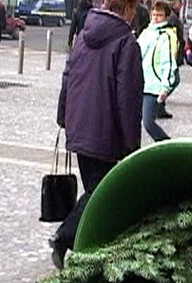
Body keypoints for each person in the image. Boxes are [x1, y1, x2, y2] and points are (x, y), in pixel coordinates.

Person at [52, 0, 144, 269]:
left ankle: (89, 246)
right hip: (106, 134)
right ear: (127, 9)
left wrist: (63, 116)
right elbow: (128, 98)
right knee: (100, 192)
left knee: (96, 188)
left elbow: (67, 76)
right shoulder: (126, 43)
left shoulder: (84, 34)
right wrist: (131, 145)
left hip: (80, 125)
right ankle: (65, 238)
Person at [137, 0, 178, 141]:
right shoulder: (146, 33)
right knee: (135, 122)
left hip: (153, 86)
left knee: (148, 122)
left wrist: (165, 87)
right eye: (154, 14)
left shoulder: (165, 36)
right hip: (140, 83)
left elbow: (168, 63)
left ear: (166, 17)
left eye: (159, 15)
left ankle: (168, 146)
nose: (155, 17)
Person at [156, 0, 184, 119]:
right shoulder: (172, 18)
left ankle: (159, 105)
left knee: (171, 80)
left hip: (172, 52)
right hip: (171, 54)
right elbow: (172, 37)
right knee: (173, 79)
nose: (180, 6)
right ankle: (158, 104)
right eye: (179, 3)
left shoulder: (173, 16)